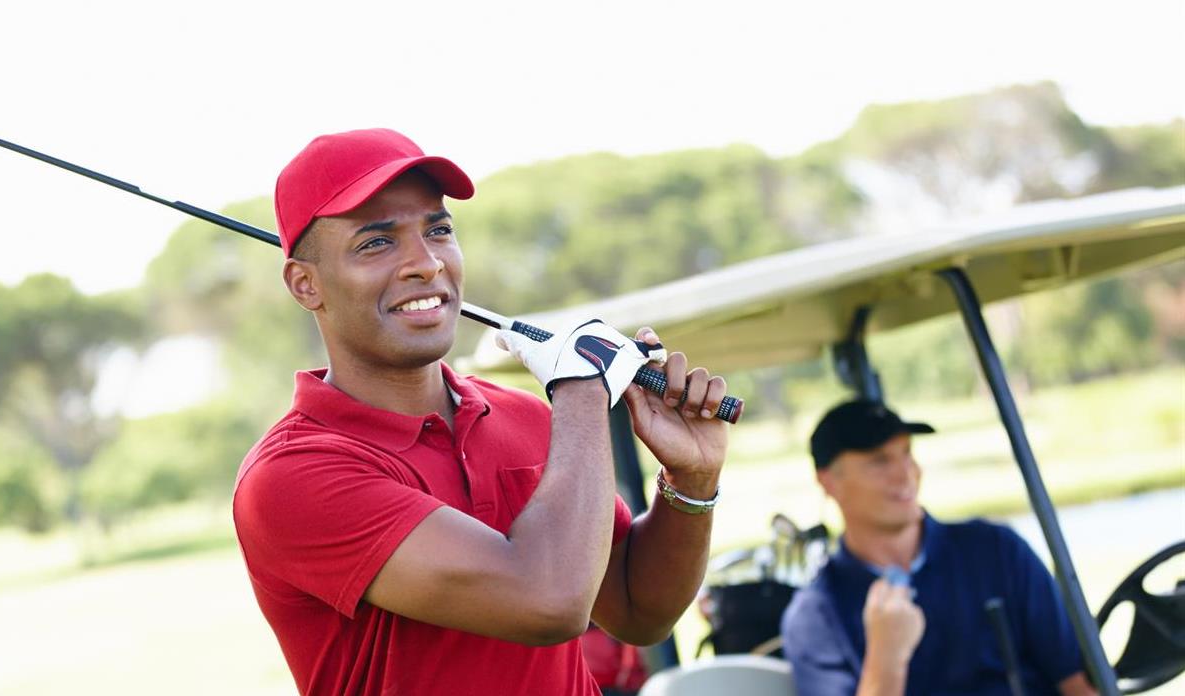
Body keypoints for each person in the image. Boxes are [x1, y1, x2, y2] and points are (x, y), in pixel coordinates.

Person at [232, 128, 732, 695]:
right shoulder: (292, 476)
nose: (425, 264)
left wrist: (691, 480)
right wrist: (580, 388)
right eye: (376, 242)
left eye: (438, 230)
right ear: (305, 284)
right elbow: (548, 600)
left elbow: (638, 609)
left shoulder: (528, 419)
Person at [780, 400, 1098, 696]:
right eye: (879, 461)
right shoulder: (814, 618)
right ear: (828, 482)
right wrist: (886, 659)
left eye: (906, 452)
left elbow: (1076, 684)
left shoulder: (998, 550)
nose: (906, 473)